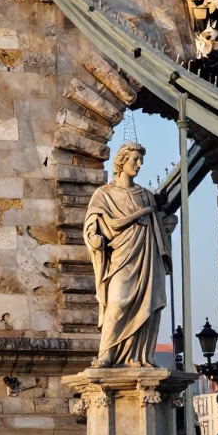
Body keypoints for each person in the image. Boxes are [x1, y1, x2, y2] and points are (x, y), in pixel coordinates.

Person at [84, 142, 173, 368]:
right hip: (120, 258)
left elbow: (158, 227)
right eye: (135, 159)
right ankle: (106, 354)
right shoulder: (104, 194)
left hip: (146, 257)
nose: (139, 164)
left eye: (141, 160)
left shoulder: (146, 196)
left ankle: (138, 356)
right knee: (117, 303)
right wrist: (93, 238)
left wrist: (167, 225)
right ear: (122, 161)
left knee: (146, 306)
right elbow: (91, 223)